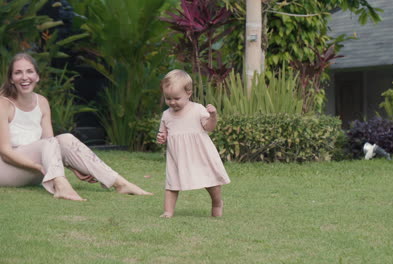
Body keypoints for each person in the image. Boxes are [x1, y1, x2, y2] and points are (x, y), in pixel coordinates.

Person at [0, 53, 152, 201]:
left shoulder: (42, 102)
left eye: (29, 71)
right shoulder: (4, 104)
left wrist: (72, 166)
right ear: (11, 79)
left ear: (37, 76)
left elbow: (51, 145)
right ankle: (62, 187)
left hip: (37, 170)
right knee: (49, 142)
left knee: (64, 139)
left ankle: (120, 183)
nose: (25, 77)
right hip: (8, 170)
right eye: (18, 73)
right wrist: (38, 166)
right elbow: (6, 152)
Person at [156, 69, 230, 218]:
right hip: (178, 157)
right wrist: (161, 138)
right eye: (168, 98)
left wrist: (213, 116)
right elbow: (163, 133)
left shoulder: (197, 109)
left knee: (211, 181)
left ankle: (217, 203)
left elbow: (209, 127)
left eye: (176, 98)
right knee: (172, 184)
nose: (172, 102)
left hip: (200, 154)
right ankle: (168, 211)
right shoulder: (166, 115)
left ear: (188, 93)